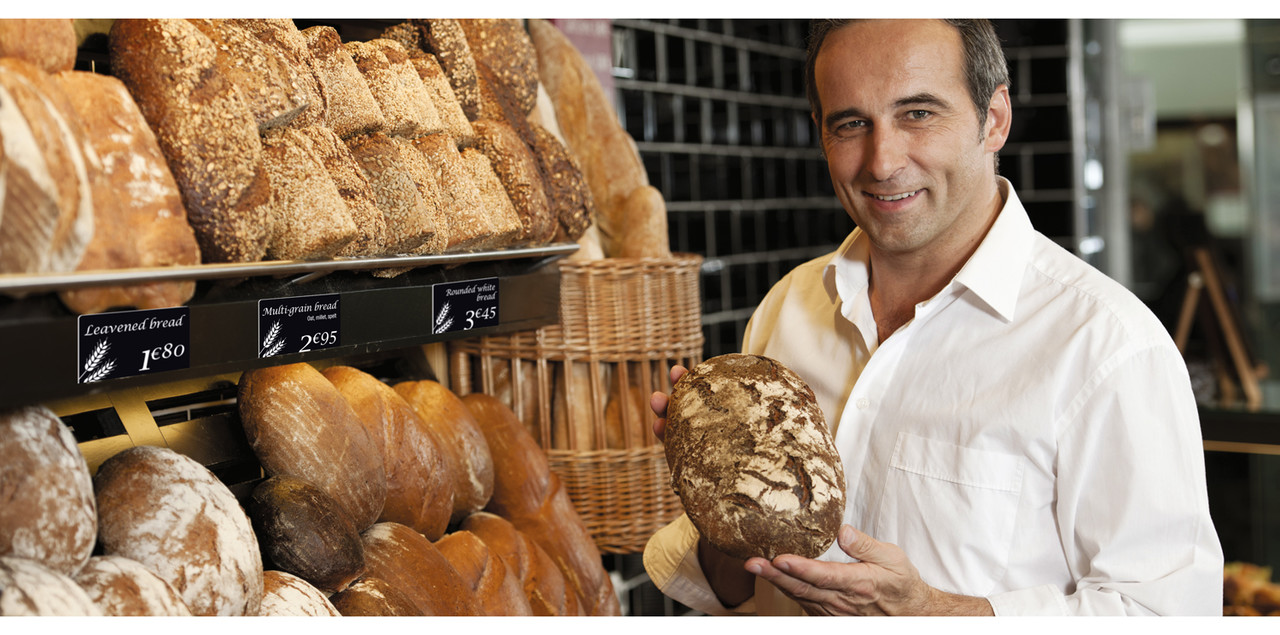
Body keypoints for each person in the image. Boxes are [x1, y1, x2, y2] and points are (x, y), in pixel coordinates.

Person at [642, 19, 1223, 616]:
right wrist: (719, 495)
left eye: (918, 113)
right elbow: (739, 590)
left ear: (993, 118)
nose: (882, 161)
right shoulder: (788, 308)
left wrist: (933, 613)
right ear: (820, 135)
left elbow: (1168, 614)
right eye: (851, 124)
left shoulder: (1106, 346)